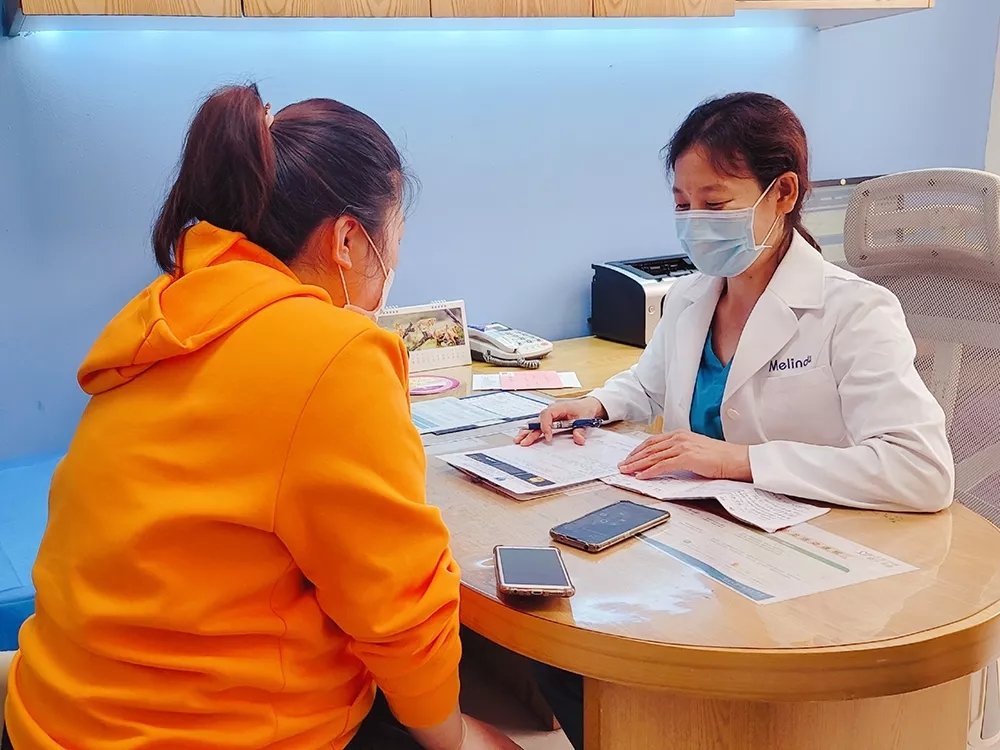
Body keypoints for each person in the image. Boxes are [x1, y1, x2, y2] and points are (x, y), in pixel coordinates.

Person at [3, 85, 521, 750]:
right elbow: (399, 605)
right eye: (394, 236)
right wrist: (454, 737)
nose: (393, 260)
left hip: (52, 714)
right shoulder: (333, 353)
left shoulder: (171, 313)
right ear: (347, 239)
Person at [516, 92, 954, 750]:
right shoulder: (691, 295)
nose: (695, 223)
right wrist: (596, 406)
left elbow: (921, 471)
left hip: (808, 576)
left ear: (783, 193)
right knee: (558, 645)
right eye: (681, 204)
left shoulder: (855, 312)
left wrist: (741, 461)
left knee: (614, 673)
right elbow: (651, 382)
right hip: (697, 550)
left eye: (715, 204)